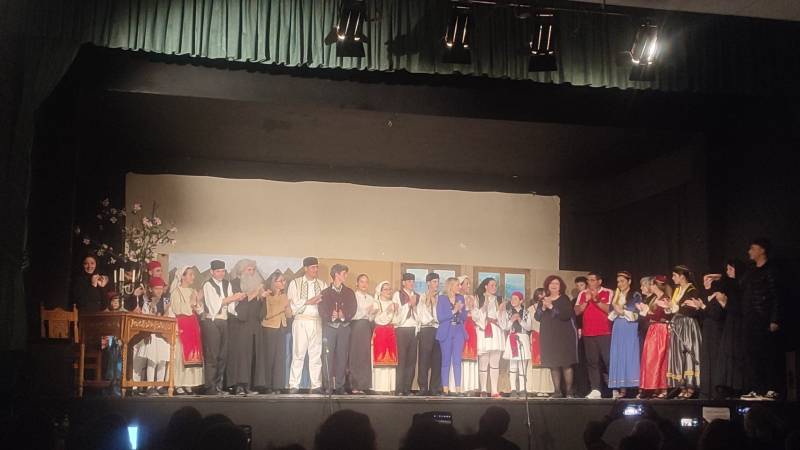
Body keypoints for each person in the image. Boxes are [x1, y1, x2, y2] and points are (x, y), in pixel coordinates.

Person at [740, 238, 783, 401]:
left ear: (762, 250)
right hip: (750, 319)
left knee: (768, 354)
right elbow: (741, 286)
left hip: (764, 318)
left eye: (753, 248)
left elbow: (777, 296)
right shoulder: (751, 271)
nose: (749, 252)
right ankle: (757, 389)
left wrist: (774, 319)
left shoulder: (771, 271)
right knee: (752, 355)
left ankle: (772, 389)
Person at [201, 259, 246, 395]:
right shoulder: (208, 285)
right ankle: (210, 387)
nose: (221, 274)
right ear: (212, 272)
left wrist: (237, 299)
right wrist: (233, 298)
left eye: (222, 271)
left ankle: (218, 386)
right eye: (218, 271)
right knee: (212, 356)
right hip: (212, 321)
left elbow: (230, 306)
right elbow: (214, 304)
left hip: (224, 321)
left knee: (222, 355)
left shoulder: (227, 284)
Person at [287, 257, 328, 394]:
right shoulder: (295, 283)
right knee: (298, 353)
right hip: (301, 321)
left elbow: (325, 302)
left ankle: (316, 385)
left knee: (316, 354)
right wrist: (307, 301)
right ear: (305, 268)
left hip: (316, 321)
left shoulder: (322, 284)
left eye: (317, 267)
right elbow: (292, 302)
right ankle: (294, 384)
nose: (315, 270)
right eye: (312, 267)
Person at [535, 276, 578, 398]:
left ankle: (569, 392)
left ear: (560, 287)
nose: (554, 285)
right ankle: (557, 391)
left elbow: (565, 315)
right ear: (547, 285)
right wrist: (543, 307)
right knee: (553, 364)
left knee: (566, 364)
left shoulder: (564, 299)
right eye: (551, 283)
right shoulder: (543, 300)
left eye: (556, 284)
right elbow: (537, 317)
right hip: (548, 336)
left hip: (563, 336)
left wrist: (551, 307)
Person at [227, 259, 265, 396]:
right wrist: (254, 293)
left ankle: (248, 385)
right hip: (240, 324)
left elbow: (260, 307)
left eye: (253, 270)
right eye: (249, 270)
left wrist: (261, 297)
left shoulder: (258, 286)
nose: (252, 272)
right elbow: (238, 304)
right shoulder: (235, 283)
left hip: (254, 324)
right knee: (241, 356)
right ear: (241, 271)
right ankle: (238, 386)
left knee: (251, 355)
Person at [319, 264, 357, 394]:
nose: (346, 276)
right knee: (328, 357)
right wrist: (330, 316)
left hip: (344, 328)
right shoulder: (325, 292)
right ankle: (328, 385)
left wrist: (343, 315)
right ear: (336, 275)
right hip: (330, 328)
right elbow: (321, 310)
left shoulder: (349, 292)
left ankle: (340, 385)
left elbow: (353, 308)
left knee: (342, 357)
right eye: (344, 273)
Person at [574, 272, 613, 399]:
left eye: (592, 280)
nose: (589, 282)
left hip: (605, 332)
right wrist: (586, 301)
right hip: (588, 333)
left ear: (599, 281)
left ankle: (614, 388)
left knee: (608, 361)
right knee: (592, 362)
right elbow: (576, 311)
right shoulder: (582, 293)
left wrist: (596, 300)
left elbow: (610, 310)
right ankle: (596, 389)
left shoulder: (608, 292)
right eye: (588, 280)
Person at [667, 265, 703, 399]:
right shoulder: (677, 290)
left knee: (688, 352)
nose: (672, 278)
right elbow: (678, 308)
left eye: (674, 275)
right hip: (678, 324)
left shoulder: (692, 290)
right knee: (678, 354)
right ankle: (682, 386)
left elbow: (690, 310)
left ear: (682, 276)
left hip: (688, 325)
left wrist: (677, 307)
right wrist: (670, 307)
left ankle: (691, 386)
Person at [131, 277, 171, 395]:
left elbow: (170, 316)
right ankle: (149, 386)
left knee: (162, 360)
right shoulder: (147, 302)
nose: (159, 291)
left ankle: (160, 385)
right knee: (152, 360)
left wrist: (166, 311)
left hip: (164, 334)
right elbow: (146, 317)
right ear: (151, 289)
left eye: (161, 288)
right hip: (151, 334)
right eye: (156, 288)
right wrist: (152, 308)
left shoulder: (166, 301)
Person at [168, 266, 205, 395]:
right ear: (182, 276)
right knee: (180, 354)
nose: (192, 277)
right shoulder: (176, 292)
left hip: (192, 325)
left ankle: (188, 383)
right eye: (190, 274)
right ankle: (178, 383)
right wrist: (191, 302)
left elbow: (199, 310)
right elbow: (177, 309)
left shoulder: (192, 291)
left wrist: (198, 301)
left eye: (193, 274)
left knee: (193, 354)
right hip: (182, 324)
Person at [255, 271, 292, 394]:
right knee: (269, 357)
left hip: (281, 328)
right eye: (281, 281)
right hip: (269, 328)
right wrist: (283, 307)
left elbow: (289, 314)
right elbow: (267, 315)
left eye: (284, 281)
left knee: (279, 358)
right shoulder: (268, 295)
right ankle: (267, 385)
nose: (283, 283)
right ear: (274, 282)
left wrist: (287, 308)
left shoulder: (284, 296)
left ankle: (277, 385)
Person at [608, 271, 642, 398]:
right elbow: (611, 314)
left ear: (629, 281)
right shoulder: (616, 295)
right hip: (618, 326)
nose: (620, 284)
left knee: (630, 354)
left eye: (622, 281)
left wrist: (622, 311)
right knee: (619, 354)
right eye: (618, 281)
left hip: (630, 326)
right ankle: (622, 389)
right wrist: (616, 310)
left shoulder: (635, 295)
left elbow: (636, 314)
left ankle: (637, 388)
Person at [636, 275, 672, 399]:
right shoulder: (655, 298)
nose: (650, 287)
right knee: (650, 359)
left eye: (651, 284)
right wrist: (646, 312)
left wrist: (647, 312)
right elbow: (651, 316)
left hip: (660, 330)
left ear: (656, 285)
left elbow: (660, 316)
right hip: (653, 330)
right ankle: (653, 387)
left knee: (659, 360)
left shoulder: (664, 298)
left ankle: (663, 388)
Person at [717, 260, 747, 397]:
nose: (727, 272)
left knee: (737, 353)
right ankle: (728, 385)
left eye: (730, 269)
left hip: (740, 323)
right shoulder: (731, 285)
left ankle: (738, 386)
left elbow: (738, 307)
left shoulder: (741, 285)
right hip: (730, 322)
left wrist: (724, 303)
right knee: (728, 352)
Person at [473, 277, 505, 398]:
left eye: (495, 285)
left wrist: (501, 311)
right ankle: (483, 389)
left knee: (495, 362)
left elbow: (503, 318)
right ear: (485, 286)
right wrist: (484, 306)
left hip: (496, 331)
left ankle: (494, 390)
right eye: (492, 285)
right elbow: (475, 316)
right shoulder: (478, 298)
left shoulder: (499, 299)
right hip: (484, 330)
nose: (494, 287)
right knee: (484, 361)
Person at [437, 277, 468, 396]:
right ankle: (445, 389)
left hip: (458, 330)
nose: (459, 287)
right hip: (446, 331)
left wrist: (462, 310)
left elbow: (464, 317)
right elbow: (440, 317)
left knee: (457, 360)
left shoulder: (460, 298)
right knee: (446, 361)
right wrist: (454, 311)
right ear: (450, 286)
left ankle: (458, 389)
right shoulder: (442, 299)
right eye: (457, 285)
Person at [500, 291, 534, 397]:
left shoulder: (526, 313)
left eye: (515, 298)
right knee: (513, 365)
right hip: (512, 338)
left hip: (523, 337)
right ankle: (513, 389)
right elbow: (505, 327)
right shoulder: (508, 312)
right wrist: (511, 320)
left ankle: (523, 389)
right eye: (512, 298)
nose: (513, 300)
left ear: (521, 300)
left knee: (522, 365)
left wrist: (520, 320)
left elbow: (529, 327)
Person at [700, 270, 727, 399]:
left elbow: (717, 315)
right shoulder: (707, 296)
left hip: (716, 330)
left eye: (708, 280)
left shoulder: (720, 295)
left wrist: (703, 307)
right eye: (704, 281)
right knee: (706, 358)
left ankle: (717, 390)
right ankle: (707, 390)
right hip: (707, 329)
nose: (705, 283)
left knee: (715, 358)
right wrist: (700, 307)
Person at [393, 272, 420, 396]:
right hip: (402, 329)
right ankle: (399, 388)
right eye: (409, 281)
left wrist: (414, 308)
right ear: (403, 282)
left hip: (413, 329)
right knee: (402, 359)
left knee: (411, 360)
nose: (411, 283)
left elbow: (420, 314)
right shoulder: (398, 295)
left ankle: (407, 388)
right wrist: (409, 304)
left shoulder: (417, 296)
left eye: (413, 281)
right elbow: (397, 313)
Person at [371, 280, 399, 393]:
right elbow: (377, 319)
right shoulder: (376, 303)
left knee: (390, 358)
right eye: (386, 289)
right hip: (380, 332)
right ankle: (379, 387)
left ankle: (390, 387)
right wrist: (387, 311)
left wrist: (395, 312)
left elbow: (397, 320)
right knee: (380, 357)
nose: (388, 291)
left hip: (391, 332)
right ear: (380, 291)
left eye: (389, 289)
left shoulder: (393, 303)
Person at [417, 272, 442, 396]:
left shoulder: (441, 297)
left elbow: (442, 314)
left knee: (437, 359)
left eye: (437, 281)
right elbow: (420, 313)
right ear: (428, 283)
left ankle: (434, 388)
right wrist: (428, 302)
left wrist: (435, 303)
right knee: (424, 359)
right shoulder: (422, 297)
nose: (436, 284)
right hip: (426, 329)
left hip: (438, 328)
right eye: (434, 281)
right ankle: (423, 387)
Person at [349, 273, 374, 394]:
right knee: (356, 354)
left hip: (367, 326)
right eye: (362, 282)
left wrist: (372, 313)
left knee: (365, 355)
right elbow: (353, 314)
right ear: (357, 283)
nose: (364, 284)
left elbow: (371, 317)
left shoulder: (370, 298)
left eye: (366, 282)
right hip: (357, 326)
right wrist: (366, 311)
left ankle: (364, 384)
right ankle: (354, 384)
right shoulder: (353, 296)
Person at [527, 288, 555, 396]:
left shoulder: (549, 307)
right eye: (539, 294)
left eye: (543, 294)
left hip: (546, 336)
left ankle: (545, 388)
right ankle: (535, 388)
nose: (541, 297)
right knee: (535, 363)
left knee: (546, 363)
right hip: (535, 336)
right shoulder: (530, 309)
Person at [458, 275, 480, 395]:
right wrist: (465, 309)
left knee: (470, 357)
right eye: (466, 283)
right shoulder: (457, 297)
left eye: (469, 283)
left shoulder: (472, 298)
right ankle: (460, 387)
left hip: (471, 328)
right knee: (460, 357)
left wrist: (472, 308)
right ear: (460, 285)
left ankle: (470, 387)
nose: (469, 286)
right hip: (460, 327)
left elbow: (477, 317)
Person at [572, 276, 590, 397]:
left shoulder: (592, 298)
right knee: (580, 361)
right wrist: (578, 328)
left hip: (591, 331)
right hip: (579, 333)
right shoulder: (575, 300)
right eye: (577, 286)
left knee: (592, 361)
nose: (580, 288)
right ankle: (581, 389)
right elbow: (574, 316)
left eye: (582, 285)